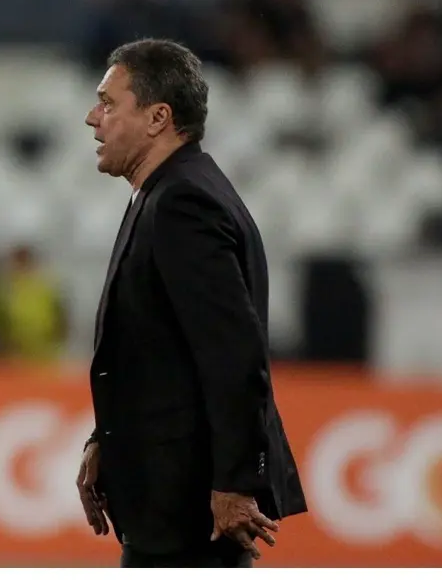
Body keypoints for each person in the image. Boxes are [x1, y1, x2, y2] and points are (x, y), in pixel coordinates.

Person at [74, 39, 306, 568]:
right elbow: (155, 352)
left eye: (108, 103)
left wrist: (235, 483)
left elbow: (234, 355)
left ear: (158, 117)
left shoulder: (183, 203)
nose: (92, 117)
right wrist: (104, 438)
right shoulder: (167, 193)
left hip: (189, 506)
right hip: (168, 501)